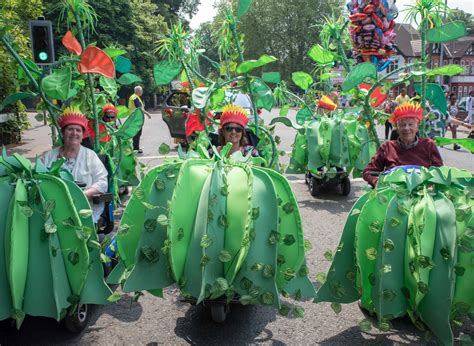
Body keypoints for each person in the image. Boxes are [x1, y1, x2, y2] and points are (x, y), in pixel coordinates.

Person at [43, 107, 108, 223]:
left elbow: (102, 183)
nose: (74, 133)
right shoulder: (49, 156)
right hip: (54, 210)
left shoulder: (90, 156)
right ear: (63, 132)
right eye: (70, 129)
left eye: (78, 130)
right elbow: (39, 180)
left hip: (84, 209)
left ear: (82, 135)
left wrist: (79, 196)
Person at [362, 102, 443, 187]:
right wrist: (377, 182)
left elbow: (439, 171)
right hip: (394, 194)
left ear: (417, 127)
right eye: (402, 125)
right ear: (397, 129)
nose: (407, 128)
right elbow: (368, 172)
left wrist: (431, 184)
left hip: (423, 193)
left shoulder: (428, 145)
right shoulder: (387, 147)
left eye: (410, 124)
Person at [128, 85, 151, 154]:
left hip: (134, 118)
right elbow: (139, 108)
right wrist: (148, 114)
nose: (142, 92)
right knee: (137, 133)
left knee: (136, 133)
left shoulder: (134, 97)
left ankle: (135, 148)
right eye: (141, 90)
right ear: (138, 91)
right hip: (135, 119)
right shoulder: (135, 97)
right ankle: (136, 148)